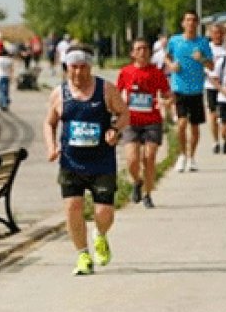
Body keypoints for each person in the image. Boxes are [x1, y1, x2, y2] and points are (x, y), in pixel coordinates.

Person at [44, 47, 127, 276]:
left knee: (104, 214)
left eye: (83, 67)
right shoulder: (59, 93)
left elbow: (124, 113)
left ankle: (100, 235)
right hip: (71, 162)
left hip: (101, 161)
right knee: (73, 207)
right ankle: (82, 255)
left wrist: (114, 130)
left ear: (90, 67)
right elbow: (49, 123)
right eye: (73, 67)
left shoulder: (105, 89)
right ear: (66, 68)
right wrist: (52, 147)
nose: (78, 73)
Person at [117, 38, 171, 209]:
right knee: (132, 159)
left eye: (146, 48)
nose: (143, 52)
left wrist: (166, 102)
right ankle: (137, 182)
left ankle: (148, 194)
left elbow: (168, 94)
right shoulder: (125, 72)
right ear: (132, 53)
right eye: (138, 49)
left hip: (152, 121)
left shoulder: (156, 73)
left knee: (150, 157)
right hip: (131, 121)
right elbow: (116, 94)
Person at [166, 10, 214, 173]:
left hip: (196, 89)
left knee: (194, 127)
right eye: (188, 20)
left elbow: (211, 66)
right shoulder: (175, 41)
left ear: (197, 24)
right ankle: (182, 155)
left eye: (194, 20)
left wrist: (201, 59)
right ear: (183, 23)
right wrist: (171, 66)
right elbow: (166, 57)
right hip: (179, 88)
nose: (191, 23)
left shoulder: (202, 43)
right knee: (181, 124)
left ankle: (191, 157)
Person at [203, 23, 226, 155]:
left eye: (220, 33)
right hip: (211, 85)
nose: (217, 36)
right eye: (215, 33)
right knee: (213, 113)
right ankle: (215, 141)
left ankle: (225, 135)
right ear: (211, 35)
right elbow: (204, 68)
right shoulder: (207, 49)